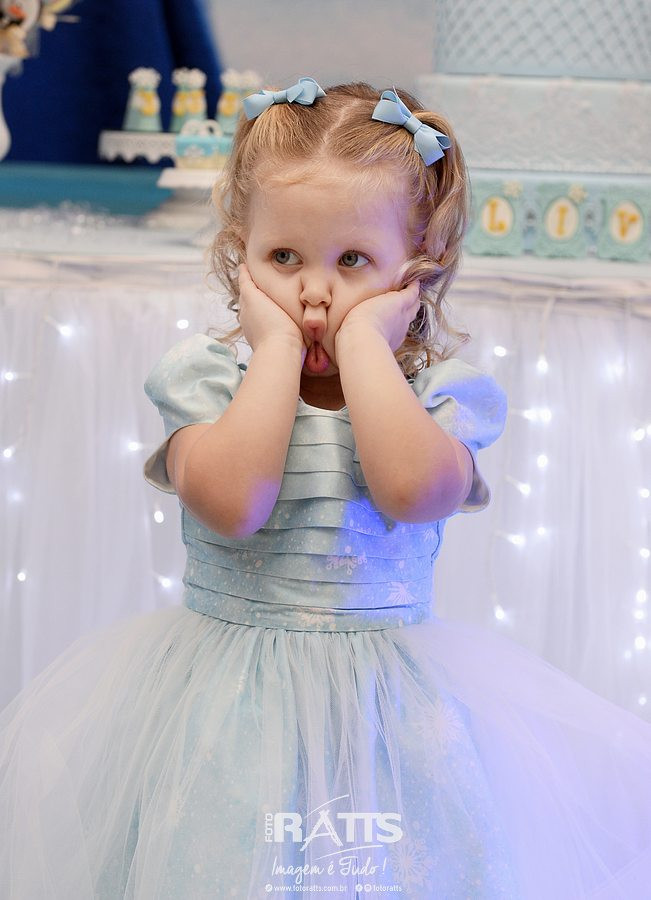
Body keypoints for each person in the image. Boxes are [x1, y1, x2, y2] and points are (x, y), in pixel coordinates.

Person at [1, 77, 651, 900]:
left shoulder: (442, 398)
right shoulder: (206, 382)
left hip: (390, 730)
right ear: (240, 255)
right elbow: (235, 505)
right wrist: (274, 350)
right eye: (283, 258)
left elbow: (411, 491)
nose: (313, 292)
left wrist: (368, 348)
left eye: (352, 261)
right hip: (223, 722)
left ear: (417, 269)